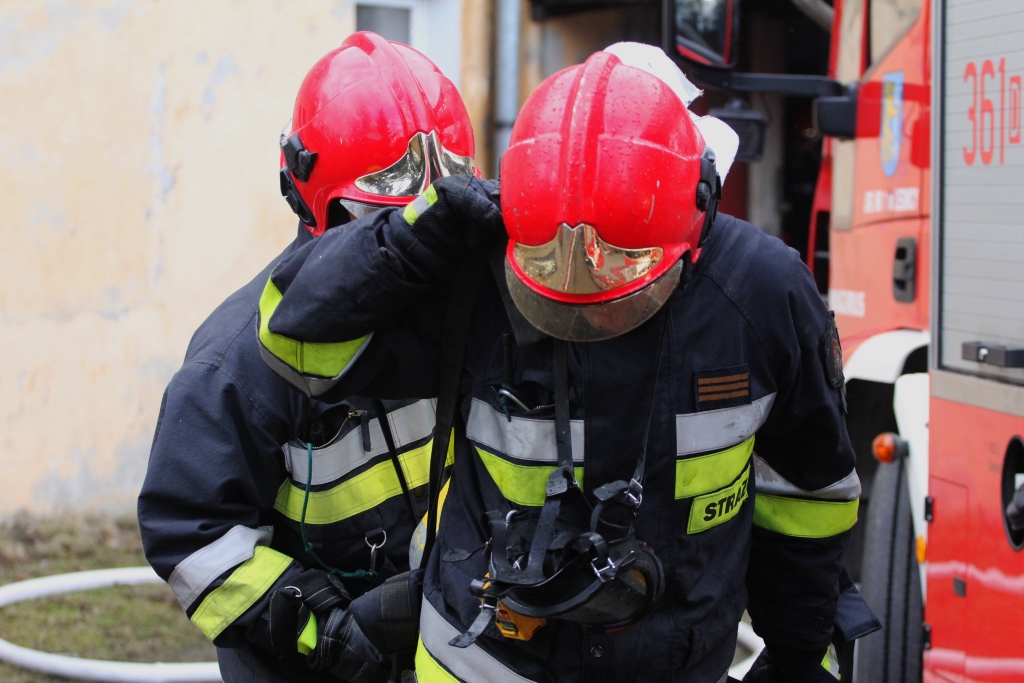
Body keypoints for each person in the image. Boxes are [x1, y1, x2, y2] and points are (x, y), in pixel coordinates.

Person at [255, 43, 864, 683]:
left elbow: (808, 492)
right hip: (483, 663)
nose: (584, 294)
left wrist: (796, 653)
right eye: (548, 265)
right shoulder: (478, 268)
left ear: (696, 212)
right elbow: (299, 344)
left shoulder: (760, 295)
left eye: (620, 267)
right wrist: (408, 238)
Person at [137, 32, 476, 683]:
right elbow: (193, 533)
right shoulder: (239, 362)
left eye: (433, 222)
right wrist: (325, 629)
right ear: (310, 202)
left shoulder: (473, 314)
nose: (414, 259)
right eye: (384, 218)